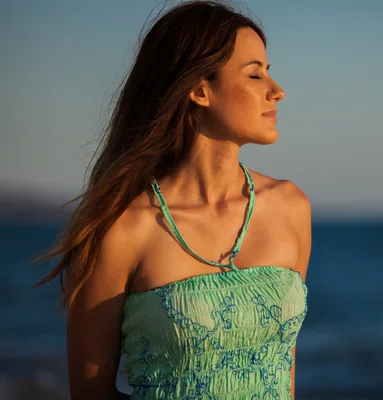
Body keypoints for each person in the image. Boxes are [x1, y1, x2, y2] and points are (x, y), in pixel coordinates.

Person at [36, 1, 311, 399]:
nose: (277, 91)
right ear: (200, 89)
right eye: (255, 74)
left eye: (268, 72)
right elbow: (90, 393)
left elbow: (284, 369)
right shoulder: (122, 229)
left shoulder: (290, 208)